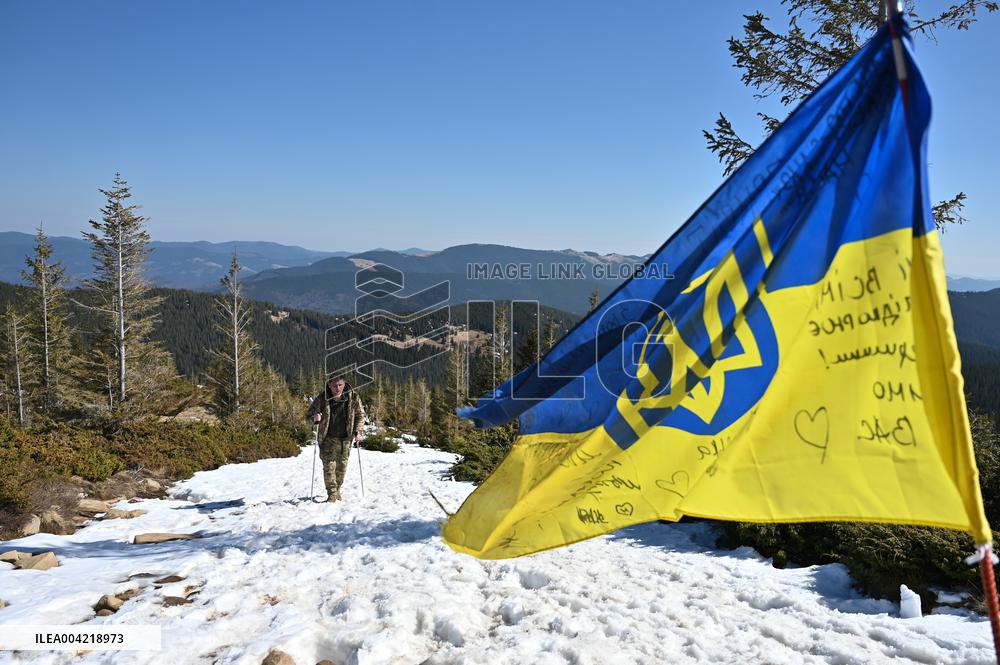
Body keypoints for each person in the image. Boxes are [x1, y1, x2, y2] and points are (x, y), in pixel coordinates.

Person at [306, 375, 366, 502]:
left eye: (340, 385)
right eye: (334, 386)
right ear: (329, 385)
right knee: (329, 467)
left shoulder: (353, 397)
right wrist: (314, 417)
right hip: (328, 438)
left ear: (345, 383)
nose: (337, 388)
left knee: (341, 468)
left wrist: (358, 431)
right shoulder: (323, 398)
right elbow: (309, 415)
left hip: (346, 439)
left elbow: (360, 415)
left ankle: (337, 490)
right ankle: (332, 494)